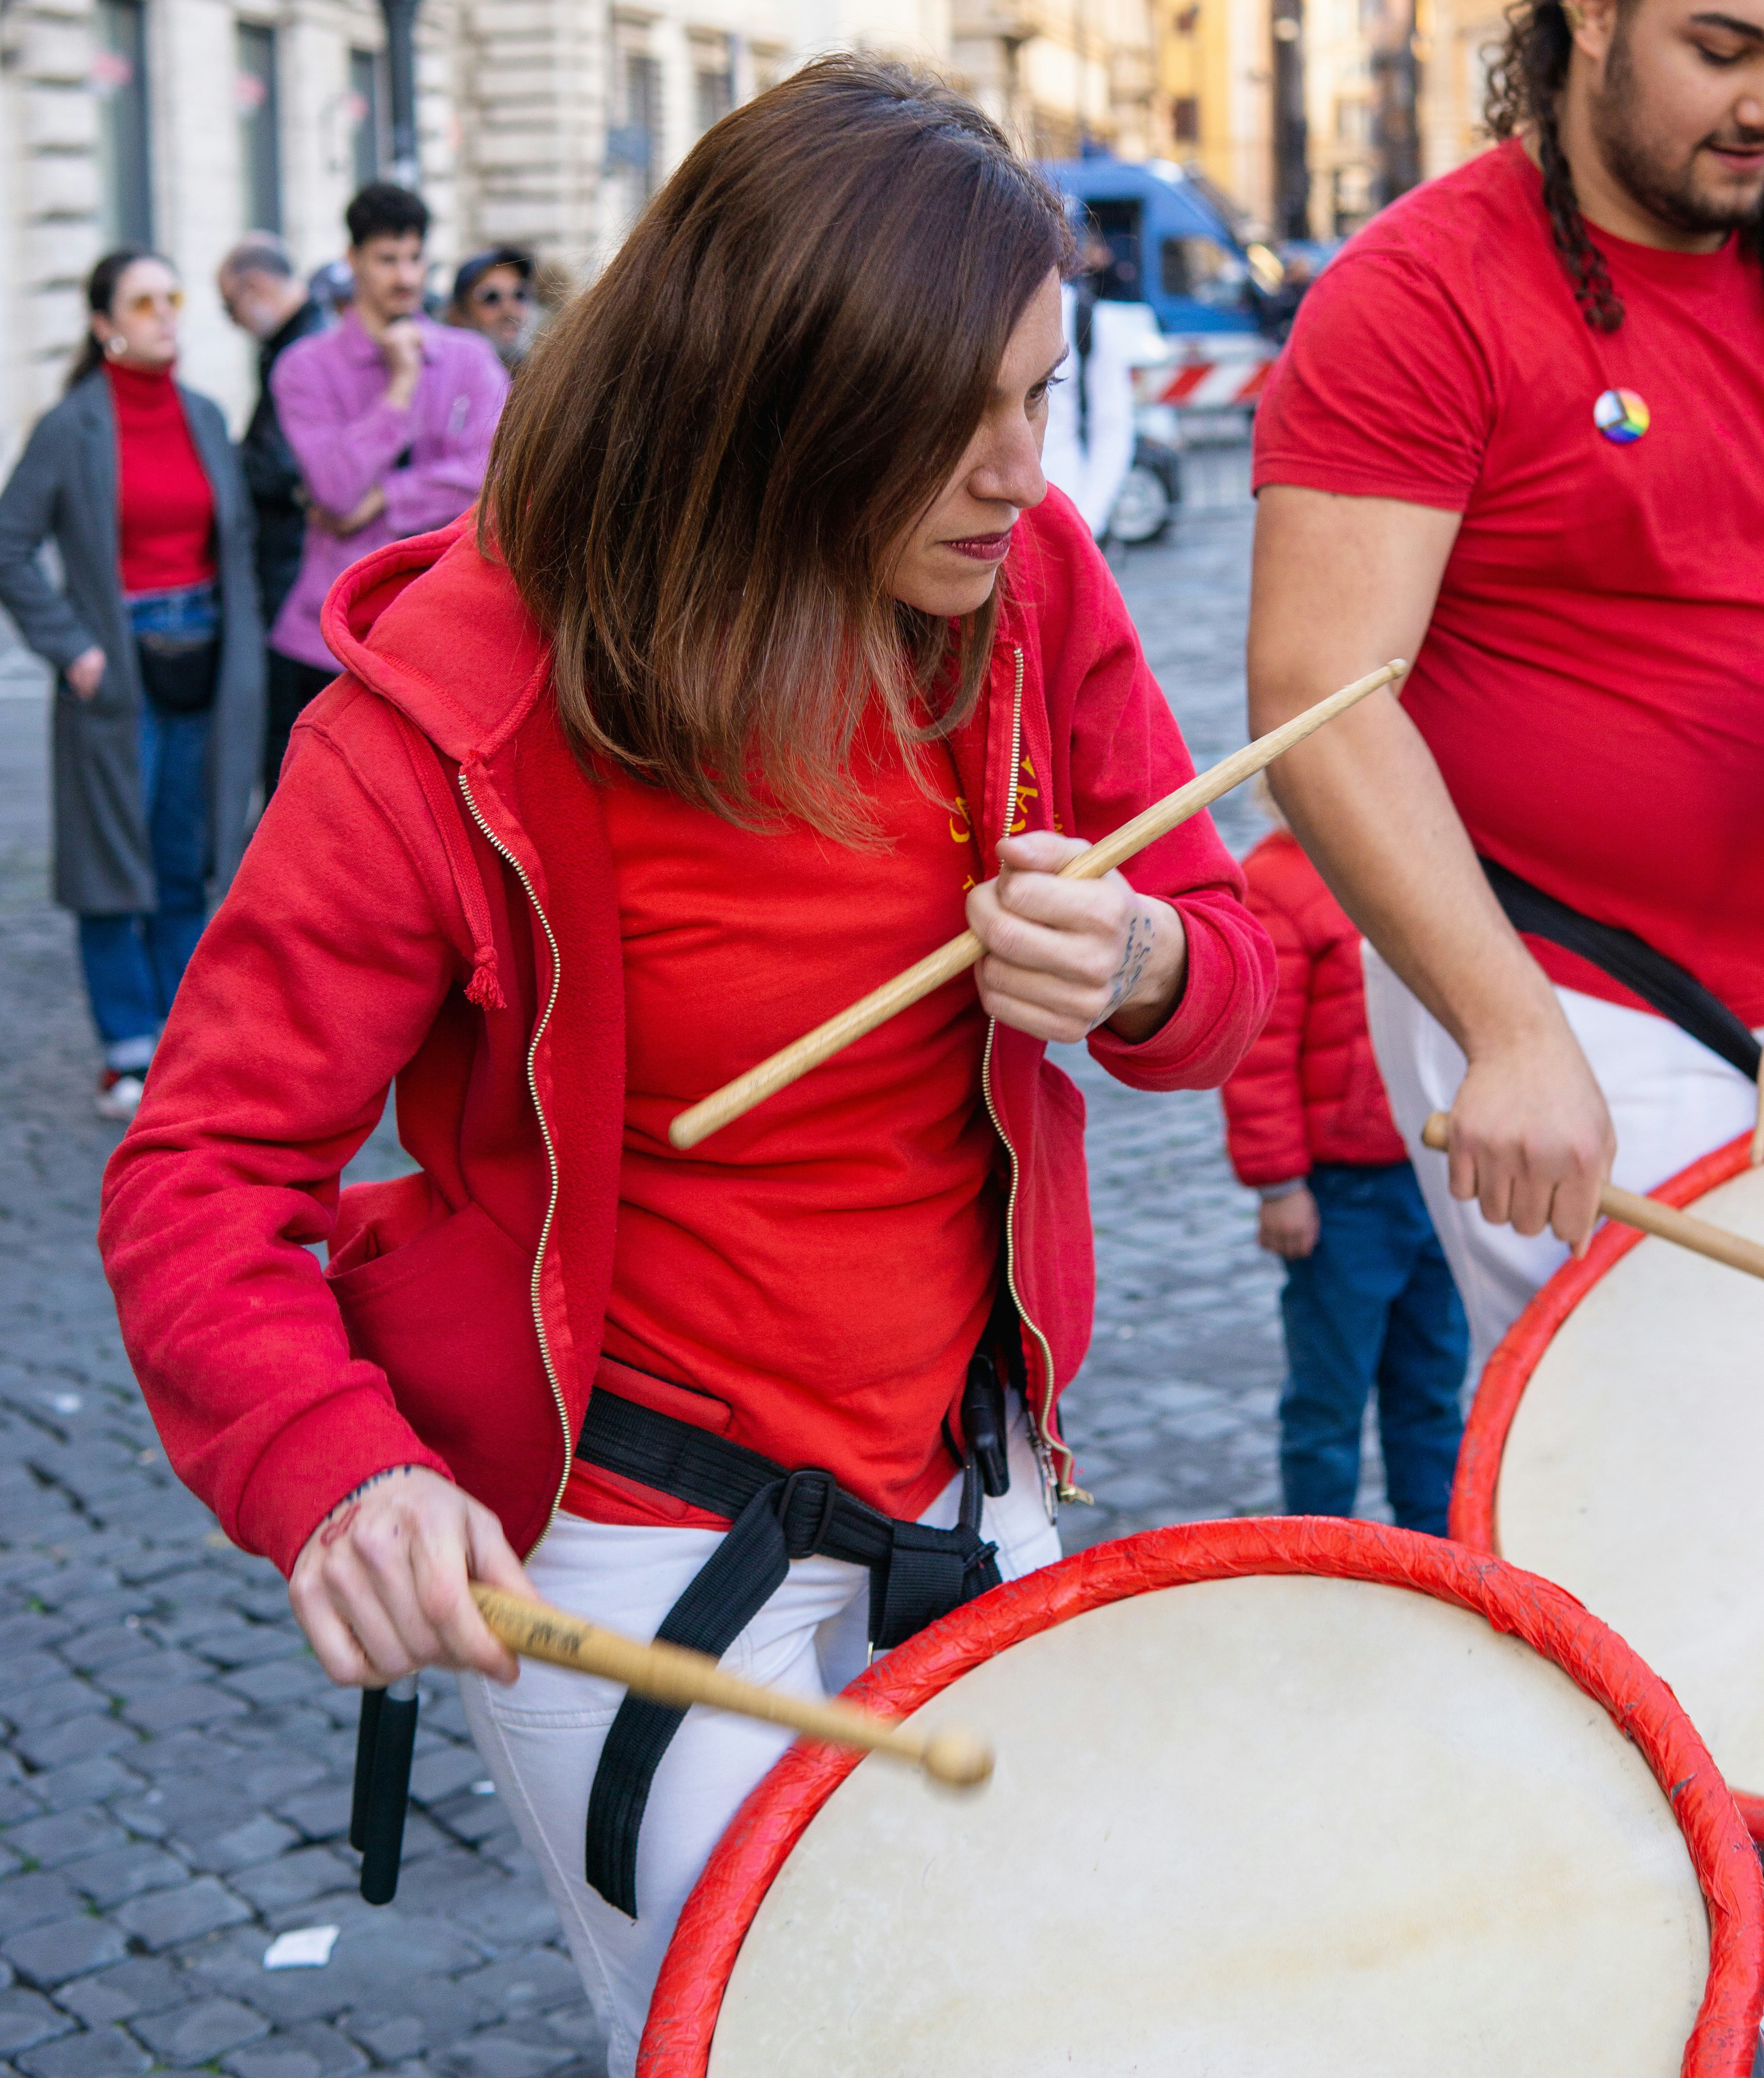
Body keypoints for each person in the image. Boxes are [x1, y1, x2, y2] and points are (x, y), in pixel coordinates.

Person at [98, 59, 1274, 2071]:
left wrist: (1150, 959)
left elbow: (1228, 968)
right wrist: (341, 1468)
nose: (1023, 467)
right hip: (635, 1550)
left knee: (1035, 2017)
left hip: (975, 1486)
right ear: (777, 412)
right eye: (958, 420)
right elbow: (197, 1174)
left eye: (1032, 392)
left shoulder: (1029, 591)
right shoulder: (444, 724)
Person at [1246, 0, 1764, 1375]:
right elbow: (1318, 699)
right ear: (1590, 16)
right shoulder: (1420, 289)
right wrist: (1508, 1031)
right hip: (1570, 989)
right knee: (1672, 1486)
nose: (1762, 101)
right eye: (1722, 52)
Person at [0, 249, 262, 1120]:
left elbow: (234, 550)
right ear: (105, 324)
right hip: (115, 664)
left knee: (186, 856)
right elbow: (10, 545)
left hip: (204, 656)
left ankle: (182, 1041)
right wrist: (72, 647)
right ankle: (126, 1048)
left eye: (171, 299)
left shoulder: (204, 415)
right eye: (143, 303)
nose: (164, 315)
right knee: (115, 860)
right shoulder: (69, 427)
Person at [1222, 801, 1467, 1533]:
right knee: (1329, 1397)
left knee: (1432, 1384)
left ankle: (1441, 1553)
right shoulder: (1273, 885)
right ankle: (1320, 1554)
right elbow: (1257, 1055)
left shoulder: (1421, 865)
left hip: (1432, 1178)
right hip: (1343, 1196)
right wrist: (1279, 1185)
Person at [264, 183, 508, 781]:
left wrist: (387, 497)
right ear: (353, 262)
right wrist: (399, 390)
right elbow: (336, 490)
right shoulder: (305, 367)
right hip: (329, 639)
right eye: (387, 259)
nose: (406, 275)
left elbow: (494, 471)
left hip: (445, 634)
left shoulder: (469, 359)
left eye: (415, 258)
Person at [217, 236, 329, 795]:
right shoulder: (294, 340)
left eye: (227, 306)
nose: (232, 321)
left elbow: (284, 467)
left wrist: (219, 462)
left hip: (296, 571)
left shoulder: (301, 348)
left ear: (254, 287)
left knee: (289, 737)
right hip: (297, 566)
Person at [449, 245, 538, 367]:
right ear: (459, 314)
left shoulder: (543, 376)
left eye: (520, 295)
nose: (509, 310)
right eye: (491, 297)